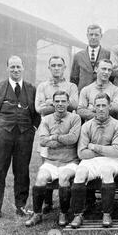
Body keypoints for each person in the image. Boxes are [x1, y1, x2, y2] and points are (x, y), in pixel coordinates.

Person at [0, 56, 41, 219]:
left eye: (18, 67)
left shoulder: (31, 88)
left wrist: (33, 129)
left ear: (23, 68)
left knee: (22, 171)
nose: (16, 70)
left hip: (24, 136)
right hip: (1, 135)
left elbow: (37, 112)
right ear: (7, 68)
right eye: (12, 67)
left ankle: (21, 207)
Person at [25, 91, 81, 227]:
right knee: (40, 178)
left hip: (70, 161)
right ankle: (37, 214)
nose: (60, 104)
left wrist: (54, 137)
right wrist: (62, 139)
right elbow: (43, 141)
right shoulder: (46, 119)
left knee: (63, 177)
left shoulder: (75, 118)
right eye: (57, 101)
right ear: (53, 103)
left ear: (68, 103)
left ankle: (63, 213)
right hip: (51, 161)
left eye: (63, 101)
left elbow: (73, 139)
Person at [70, 93, 118, 229]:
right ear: (94, 107)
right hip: (90, 160)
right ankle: (78, 214)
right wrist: (105, 149)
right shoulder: (86, 126)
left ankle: (107, 213)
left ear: (109, 107)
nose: (101, 108)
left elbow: (116, 151)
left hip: (111, 160)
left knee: (106, 172)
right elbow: (82, 153)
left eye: (104, 105)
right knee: (80, 172)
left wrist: (94, 147)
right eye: (98, 105)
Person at [35, 56, 78, 212]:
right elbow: (38, 108)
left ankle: (66, 205)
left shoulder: (71, 86)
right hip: (47, 127)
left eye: (59, 65)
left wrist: (49, 103)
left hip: (67, 126)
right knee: (47, 164)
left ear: (64, 67)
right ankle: (47, 203)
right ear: (49, 67)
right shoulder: (42, 86)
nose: (56, 68)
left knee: (65, 164)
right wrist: (58, 105)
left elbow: (74, 104)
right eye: (53, 65)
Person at [70, 24, 110, 92]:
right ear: (87, 36)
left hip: (102, 94)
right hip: (83, 93)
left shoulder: (108, 54)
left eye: (96, 35)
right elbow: (74, 78)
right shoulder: (78, 56)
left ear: (101, 36)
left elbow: (111, 76)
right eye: (91, 34)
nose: (93, 37)